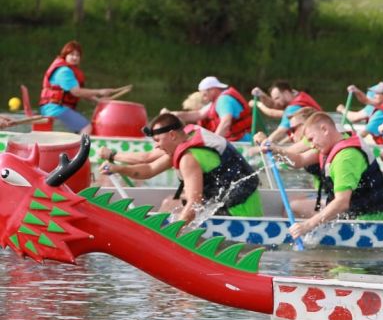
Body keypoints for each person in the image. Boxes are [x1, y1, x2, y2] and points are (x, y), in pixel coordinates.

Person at [104, 113, 262, 223]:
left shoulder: (188, 157)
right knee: (169, 203)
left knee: (172, 205)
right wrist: (118, 169)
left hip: (239, 214)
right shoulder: (185, 142)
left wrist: (172, 237)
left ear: (172, 135)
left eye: (158, 140)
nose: (156, 146)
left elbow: (194, 202)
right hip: (231, 205)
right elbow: (150, 169)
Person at [289, 112, 383, 240]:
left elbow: (342, 202)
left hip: (366, 225)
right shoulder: (336, 140)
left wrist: (307, 225)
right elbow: (298, 160)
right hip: (352, 216)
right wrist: (274, 150)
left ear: (324, 129)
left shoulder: (345, 157)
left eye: (311, 139)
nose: (311, 145)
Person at [38, 40, 119, 134]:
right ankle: (83, 148)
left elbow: (80, 92)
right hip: (55, 109)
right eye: (72, 54)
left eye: (77, 55)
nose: (75, 57)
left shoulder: (70, 71)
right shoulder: (64, 71)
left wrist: (98, 100)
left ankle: (77, 145)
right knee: (86, 127)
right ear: (65, 55)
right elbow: (76, 92)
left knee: (83, 125)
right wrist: (99, 92)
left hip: (56, 108)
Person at [169, 76, 253, 142]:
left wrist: (214, 142)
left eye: (204, 94)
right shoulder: (216, 101)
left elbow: (226, 123)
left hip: (242, 141)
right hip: (235, 140)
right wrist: (171, 114)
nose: (203, 97)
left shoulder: (223, 100)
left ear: (213, 90)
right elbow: (198, 114)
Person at [252, 81, 322, 144]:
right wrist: (262, 95)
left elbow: (280, 131)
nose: (276, 103)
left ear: (286, 93)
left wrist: (264, 146)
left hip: (314, 142)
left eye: (277, 98)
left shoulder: (294, 107)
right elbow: (272, 105)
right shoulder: (300, 95)